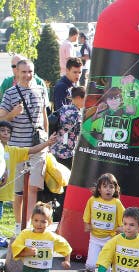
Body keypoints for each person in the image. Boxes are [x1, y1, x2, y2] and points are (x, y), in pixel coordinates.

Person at [0, 59, 50, 229]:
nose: (27, 75)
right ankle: (17, 225)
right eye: (24, 72)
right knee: (18, 191)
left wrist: (47, 141)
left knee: (34, 187)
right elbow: (1, 118)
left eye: (30, 72)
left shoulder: (41, 90)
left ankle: (28, 224)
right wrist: (12, 114)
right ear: (17, 73)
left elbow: (44, 117)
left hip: (38, 145)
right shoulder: (10, 93)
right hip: (17, 146)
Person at [0, 122, 56, 234]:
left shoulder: (12, 151)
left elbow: (31, 150)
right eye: (2, 130)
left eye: (8, 131)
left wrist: (47, 143)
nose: (5, 133)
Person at [81, 173, 125, 272]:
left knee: (105, 269)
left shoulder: (117, 203)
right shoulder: (92, 200)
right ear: (99, 189)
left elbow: (123, 223)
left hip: (109, 240)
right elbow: (86, 215)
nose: (108, 189)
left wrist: (120, 229)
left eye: (111, 187)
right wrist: (86, 224)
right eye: (105, 186)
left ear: (115, 189)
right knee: (90, 264)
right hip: (95, 238)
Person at [50, 86, 85, 169]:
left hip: (54, 147)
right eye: (85, 99)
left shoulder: (64, 108)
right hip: (65, 152)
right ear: (78, 98)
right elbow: (67, 130)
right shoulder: (76, 114)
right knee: (64, 178)